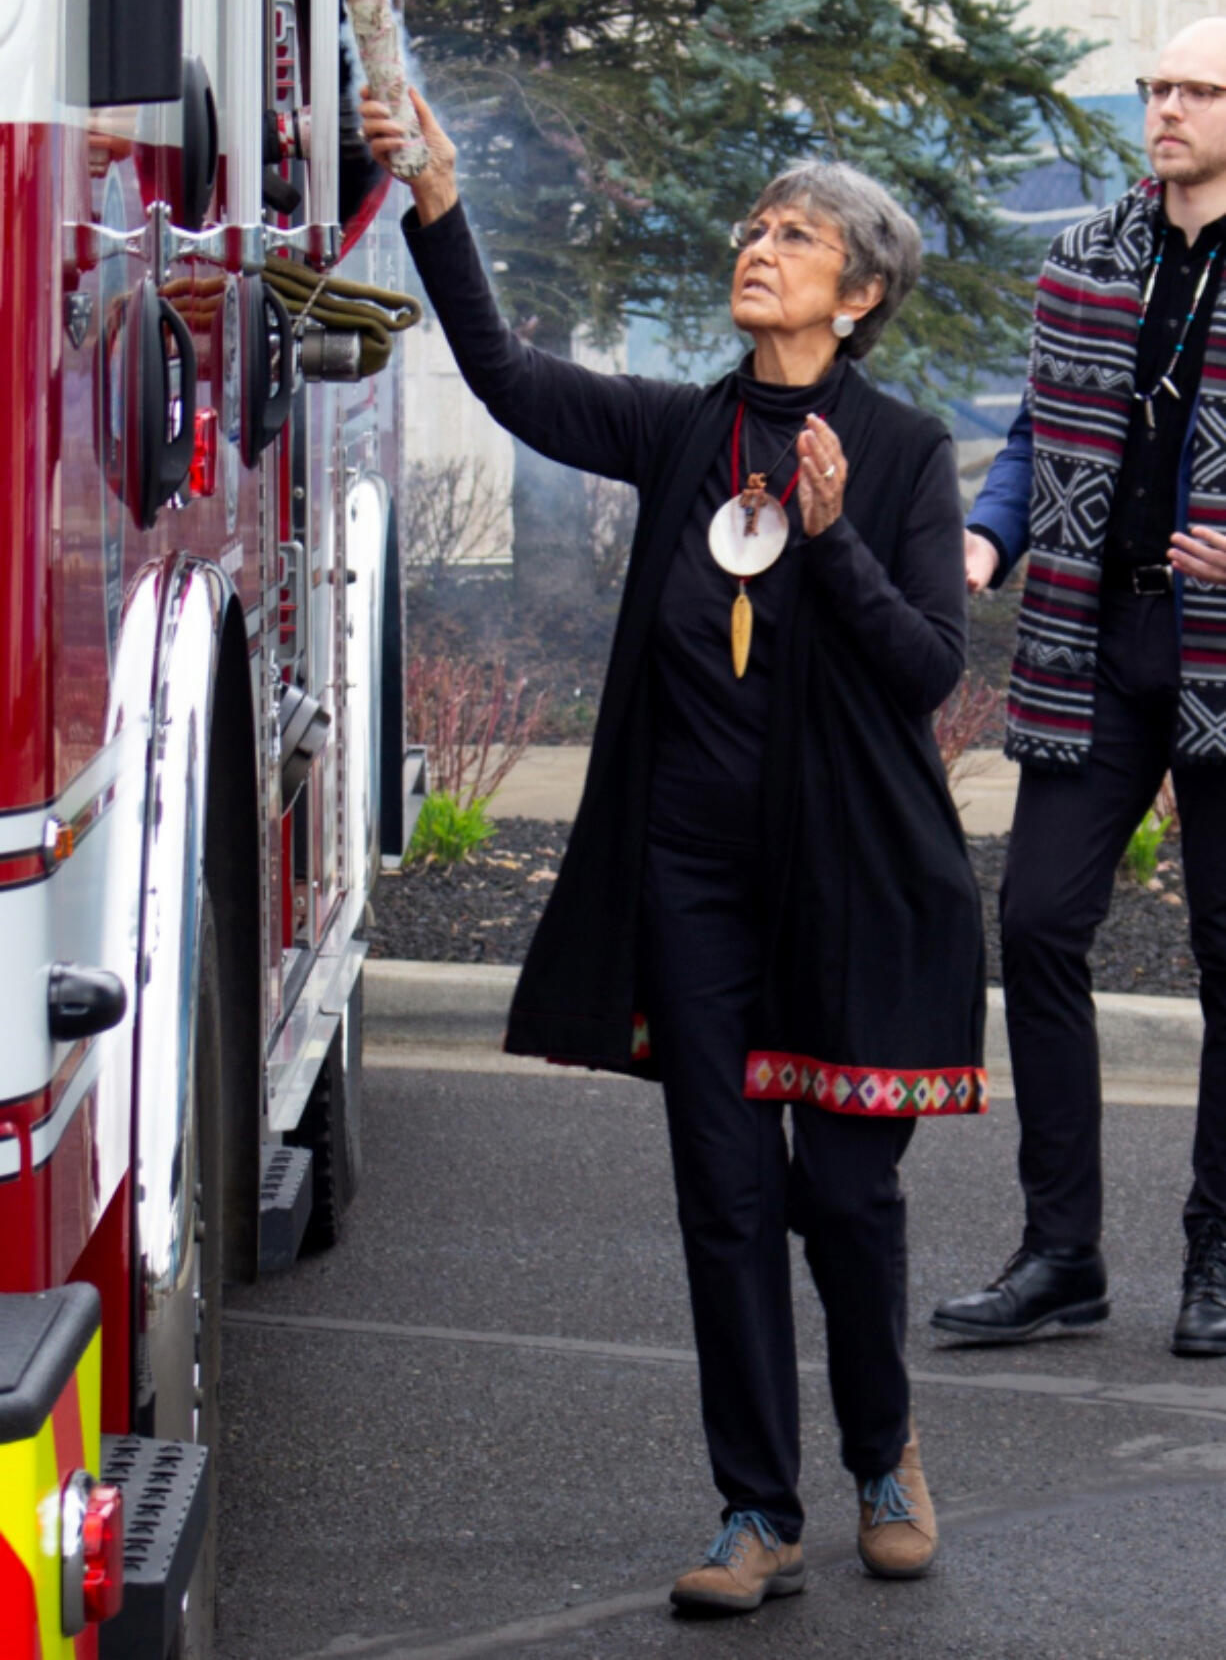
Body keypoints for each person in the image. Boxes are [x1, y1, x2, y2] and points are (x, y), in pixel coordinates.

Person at [363, 86, 985, 1609]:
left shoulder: (898, 455)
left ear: (860, 294)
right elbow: (507, 378)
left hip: (853, 879)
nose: (755, 246)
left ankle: (882, 1451)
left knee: (840, 1196)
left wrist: (833, 542)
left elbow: (921, 678)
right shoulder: (681, 426)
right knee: (724, 1188)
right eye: (756, 225)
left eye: (796, 237)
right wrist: (438, 202)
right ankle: (753, 1514)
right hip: (692, 871)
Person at [934, 15, 1226, 1359]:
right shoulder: (1086, 256)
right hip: (1091, 643)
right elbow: (1036, 431)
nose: (1164, 109)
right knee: (1039, 926)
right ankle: (1062, 1254)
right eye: (1156, 87)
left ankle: (1214, 1256)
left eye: (1197, 91)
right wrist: (988, 532)